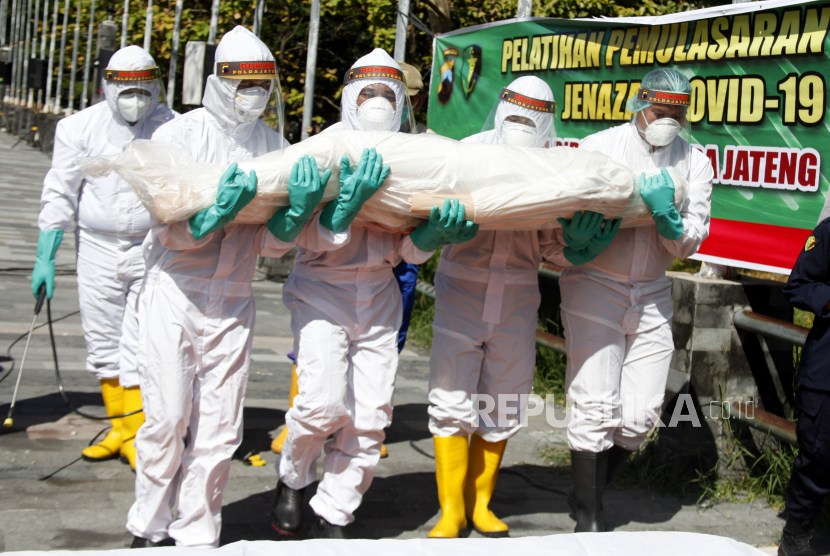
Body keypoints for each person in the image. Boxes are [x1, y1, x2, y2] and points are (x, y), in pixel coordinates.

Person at [125, 26, 333, 548]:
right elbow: (168, 226)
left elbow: (270, 246)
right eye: (243, 82)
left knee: (220, 428)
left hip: (234, 300)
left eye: (263, 83)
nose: (254, 93)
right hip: (176, 291)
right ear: (218, 81)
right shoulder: (179, 135)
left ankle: (197, 531)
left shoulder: (274, 146)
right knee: (167, 417)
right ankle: (148, 526)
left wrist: (297, 213)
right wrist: (216, 212)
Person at [270, 48, 478, 539]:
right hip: (323, 289)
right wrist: (341, 211)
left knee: (370, 417)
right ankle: (294, 478)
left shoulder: (421, 158)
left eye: (390, 93)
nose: (380, 102)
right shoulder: (322, 148)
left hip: (381, 295)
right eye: (369, 92)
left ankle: (335, 510)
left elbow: (406, 250)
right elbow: (290, 236)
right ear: (349, 98)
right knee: (319, 405)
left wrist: (430, 238)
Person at [424, 76, 610, 539]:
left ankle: (480, 502)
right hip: (462, 292)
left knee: (504, 396)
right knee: (451, 397)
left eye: (534, 113)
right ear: (501, 105)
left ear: (547, 121)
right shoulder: (467, 153)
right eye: (515, 108)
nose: (522, 120)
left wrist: (576, 247)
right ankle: (451, 510)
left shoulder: (554, 168)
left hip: (517, 297)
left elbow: (551, 246)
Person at [548, 67, 713, 532]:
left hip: (654, 289)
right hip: (594, 281)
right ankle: (589, 516)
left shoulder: (694, 162)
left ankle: (589, 494)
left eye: (677, 114)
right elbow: (567, 209)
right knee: (595, 402)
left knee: (640, 415)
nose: (668, 121)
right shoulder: (600, 148)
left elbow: (690, 241)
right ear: (640, 103)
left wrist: (669, 221)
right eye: (660, 111)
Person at [33, 46, 176, 469]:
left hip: (154, 247)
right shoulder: (78, 128)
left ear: (155, 88)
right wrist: (46, 253)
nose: (135, 99)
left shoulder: (173, 127)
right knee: (103, 337)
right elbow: (60, 188)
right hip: (96, 247)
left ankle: (141, 429)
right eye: (125, 90)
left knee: (144, 340)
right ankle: (121, 427)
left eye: (143, 90)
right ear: (107, 88)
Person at [778, 208, 830, 556]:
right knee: (818, 459)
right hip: (825, 376)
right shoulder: (829, 232)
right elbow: (798, 284)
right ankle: (796, 537)